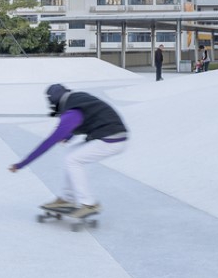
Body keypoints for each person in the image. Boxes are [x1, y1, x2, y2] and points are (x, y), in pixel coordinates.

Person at [9, 83, 128, 222]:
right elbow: (89, 117)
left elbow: (48, 143)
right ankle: (67, 198)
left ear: (55, 102)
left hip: (112, 139)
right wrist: (68, 136)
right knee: (70, 154)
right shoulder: (77, 98)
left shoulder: (71, 112)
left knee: (73, 160)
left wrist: (21, 164)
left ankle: (89, 204)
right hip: (110, 134)